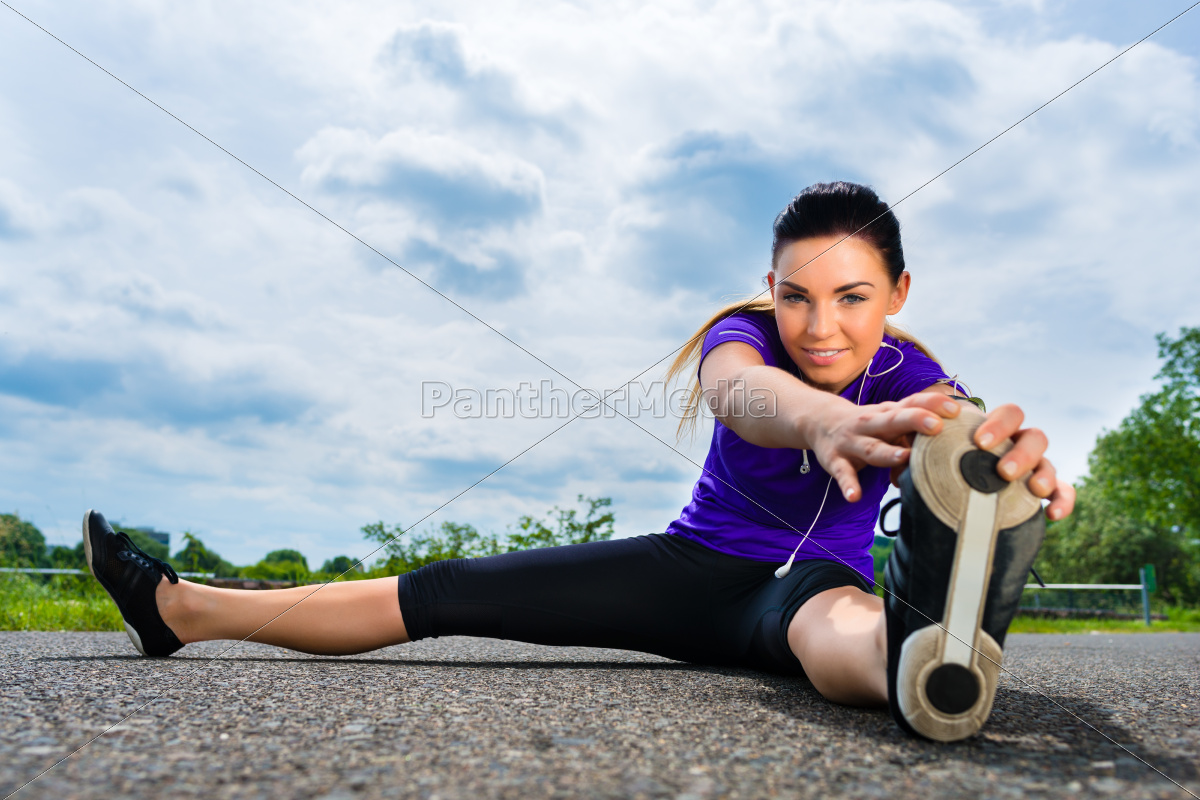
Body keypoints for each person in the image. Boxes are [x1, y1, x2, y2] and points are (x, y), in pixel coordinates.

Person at [83, 181, 1074, 741]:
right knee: (444, 590)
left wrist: (993, 460)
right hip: (686, 572)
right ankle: (185, 609)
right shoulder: (744, 335)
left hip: (807, 590)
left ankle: (929, 661)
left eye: (853, 296)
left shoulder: (921, 373)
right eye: (797, 295)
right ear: (769, 287)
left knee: (845, 627)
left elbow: (956, 423)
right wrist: (821, 418)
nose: (821, 324)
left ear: (898, 290)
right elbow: (741, 393)